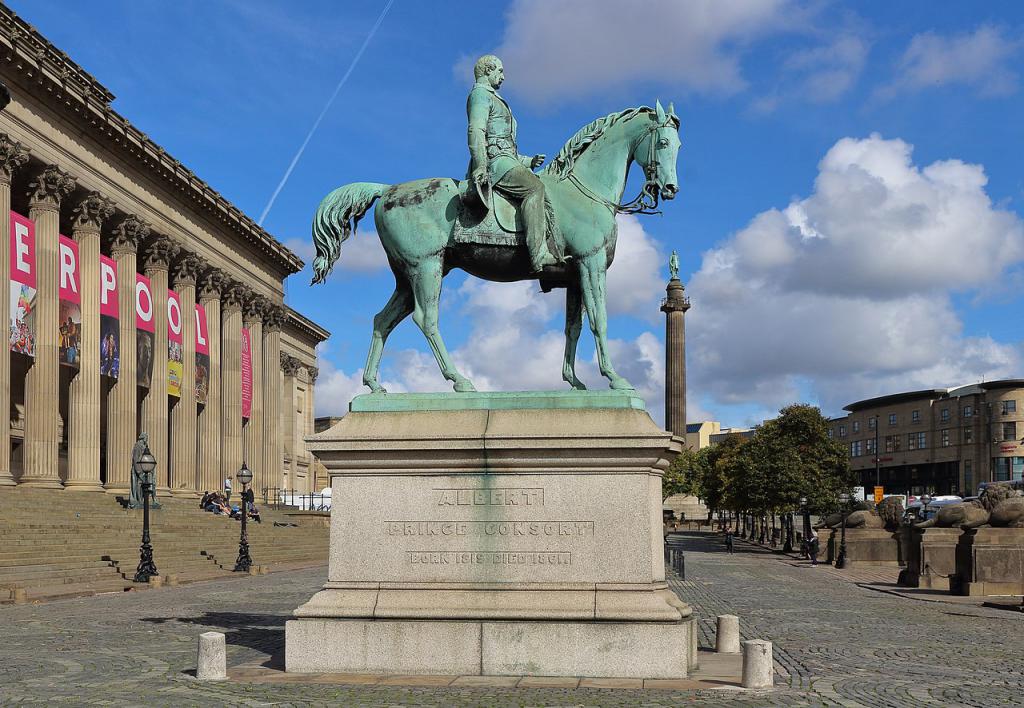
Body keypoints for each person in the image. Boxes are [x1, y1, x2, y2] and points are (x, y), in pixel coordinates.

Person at [467, 54, 556, 273]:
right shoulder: (480, 94)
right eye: (500, 70)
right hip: (494, 163)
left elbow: (506, 145)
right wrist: (480, 165)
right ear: (488, 70)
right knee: (535, 189)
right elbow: (476, 130)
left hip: (505, 159)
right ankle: (539, 255)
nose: (504, 76)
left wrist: (528, 161)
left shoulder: (494, 97)